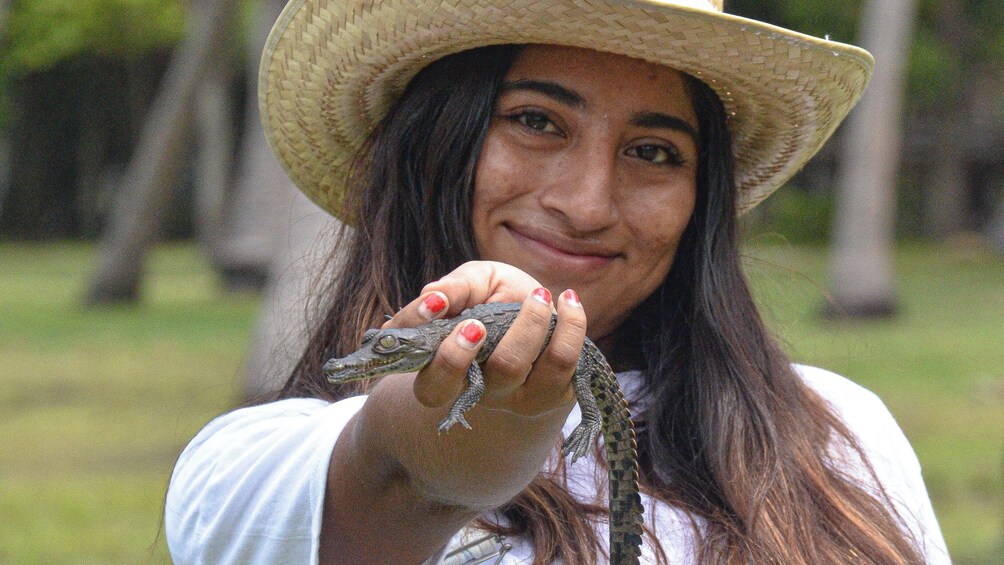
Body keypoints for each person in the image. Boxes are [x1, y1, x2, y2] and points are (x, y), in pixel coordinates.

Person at [165, 0, 950, 563]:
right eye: (536, 121)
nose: (586, 205)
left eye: (654, 152)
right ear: (434, 139)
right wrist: (482, 423)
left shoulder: (840, 431)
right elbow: (402, 471)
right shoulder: (244, 469)